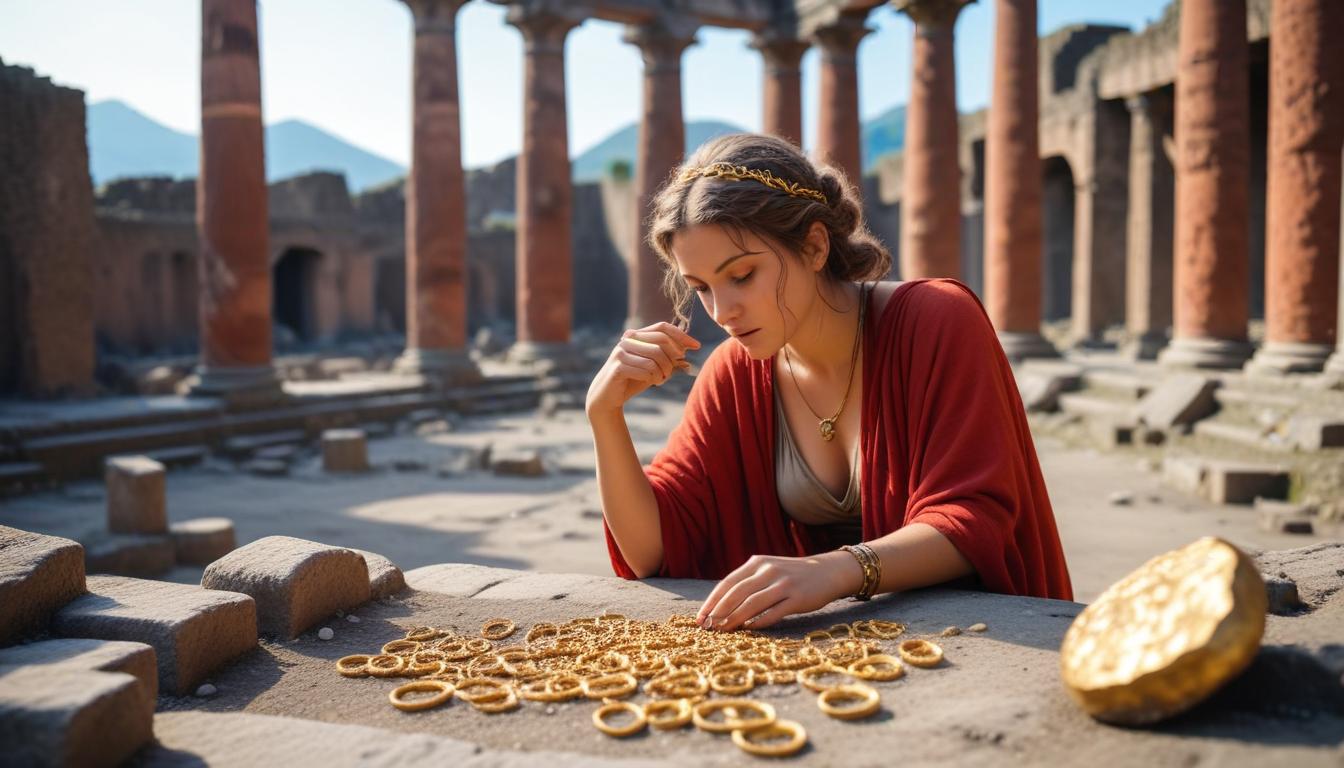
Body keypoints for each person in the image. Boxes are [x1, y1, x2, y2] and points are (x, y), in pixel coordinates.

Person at [584, 133, 1072, 633]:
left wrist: (834, 570)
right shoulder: (734, 374)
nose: (722, 312)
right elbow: (651, 552)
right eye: (702, 288)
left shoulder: (938, 321)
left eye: (743, 275)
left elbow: (975, 517)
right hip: (846, 654)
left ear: (815, 246)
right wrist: (604, 415)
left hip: (981, 640)